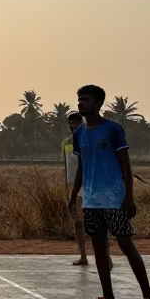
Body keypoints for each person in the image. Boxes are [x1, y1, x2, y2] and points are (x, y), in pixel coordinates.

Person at [67, 84, 150, 299]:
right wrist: (73, 195)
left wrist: (129, 196)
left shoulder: (113, 130)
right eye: (79, 99)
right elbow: (82, 166)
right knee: (98, 250)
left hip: (114, 199)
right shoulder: (79, 134)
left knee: (127, 246)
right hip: (91, 201)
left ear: (98, 103)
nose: (80, 103)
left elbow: (126, 164)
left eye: (85, 99)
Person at [63, 111, 88, 266]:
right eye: (71, 123)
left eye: (77, 122)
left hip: (89, 185)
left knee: (96, 222)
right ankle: (83, 255)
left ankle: (107, 256)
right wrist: (67, 187)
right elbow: (65, 166)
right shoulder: (67, 143)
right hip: (73, 186)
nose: (74, 126)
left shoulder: (88, 140)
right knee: (78, 222)